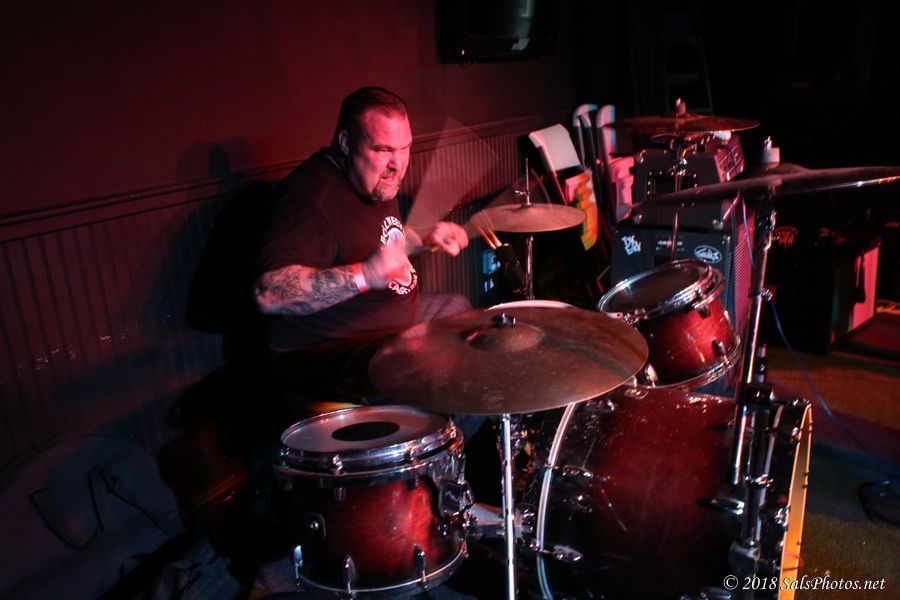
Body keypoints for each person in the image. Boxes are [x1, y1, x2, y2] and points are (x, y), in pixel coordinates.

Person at [253, 86, 471, 403]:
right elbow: (269, 293)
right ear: (346, 143)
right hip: (330, 351)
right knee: (453, 376)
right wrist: (365, 275)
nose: (397, 164)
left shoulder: (372, 178)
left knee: (461, 313)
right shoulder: (313, 201)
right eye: (383, 150)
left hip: (387, 322)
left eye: (405, 148)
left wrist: (423, 237)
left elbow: (374, 239)